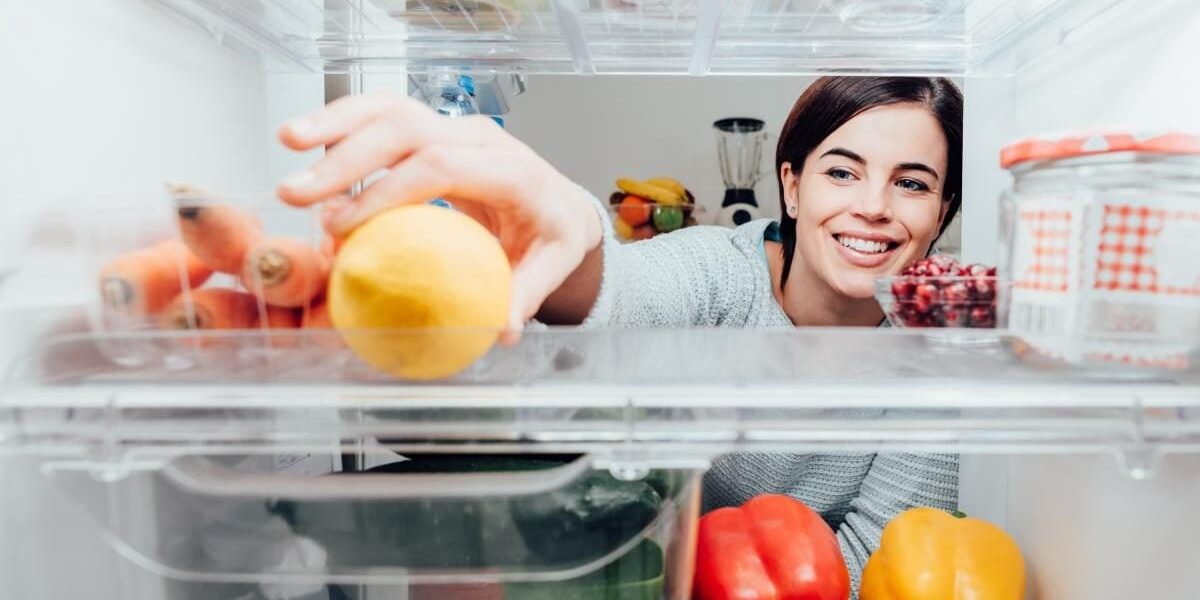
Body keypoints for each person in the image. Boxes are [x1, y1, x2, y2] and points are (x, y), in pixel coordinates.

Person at [276, 75, 963, 596]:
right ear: (791, 185)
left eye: (911, 183)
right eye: (842, 171)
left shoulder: (934, 355)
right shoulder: (722, 270)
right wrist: (570, 232)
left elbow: (886, 559)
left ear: (942, 212)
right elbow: (627, 291)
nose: (871, 207)